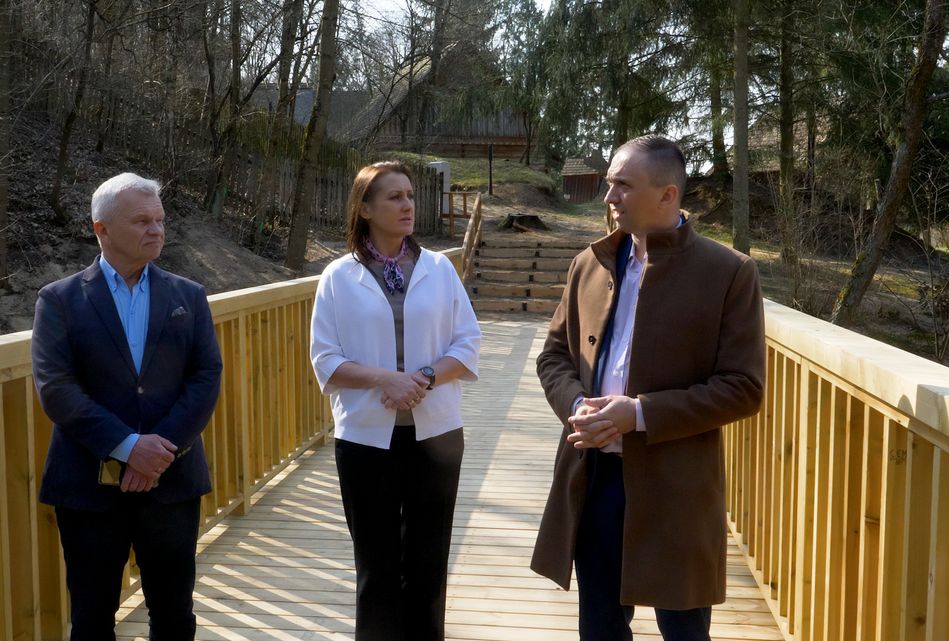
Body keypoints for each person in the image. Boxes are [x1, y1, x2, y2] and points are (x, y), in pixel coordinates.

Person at [530, 136, 766, 641]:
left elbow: (743, 387)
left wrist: (636, 413)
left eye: (623, 185)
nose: (608, 196)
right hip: (593, 475)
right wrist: (576, 406)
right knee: (601, 628)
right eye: (609, 182)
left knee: (683, 632)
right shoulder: (588, 264)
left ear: (668, 195)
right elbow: (554, 357)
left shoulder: (729, 273)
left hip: (676, 486)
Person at [31, 172, 223, 641]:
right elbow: (56, 387)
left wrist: (160, 450)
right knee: (93, 618)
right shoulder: (58, 300)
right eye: (141, 221)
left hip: (171, 480)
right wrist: (126, 445)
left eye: (159, 220)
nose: (155, 230)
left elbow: (206, 377)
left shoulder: (188, 295)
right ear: (102, 229)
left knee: (175, 615)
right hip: (88, 484)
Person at [309, 161, 481, 641]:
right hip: (366, 440)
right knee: (376, 566)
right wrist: (385, 378)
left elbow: (467, 346)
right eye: (394, 197)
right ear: (365, 209)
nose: (408, 205)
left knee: (427, 566)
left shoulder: (439, 269)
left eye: (409, 195)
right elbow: (325, 359)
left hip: (437, 437)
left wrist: (422, 377)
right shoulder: (337, 277)